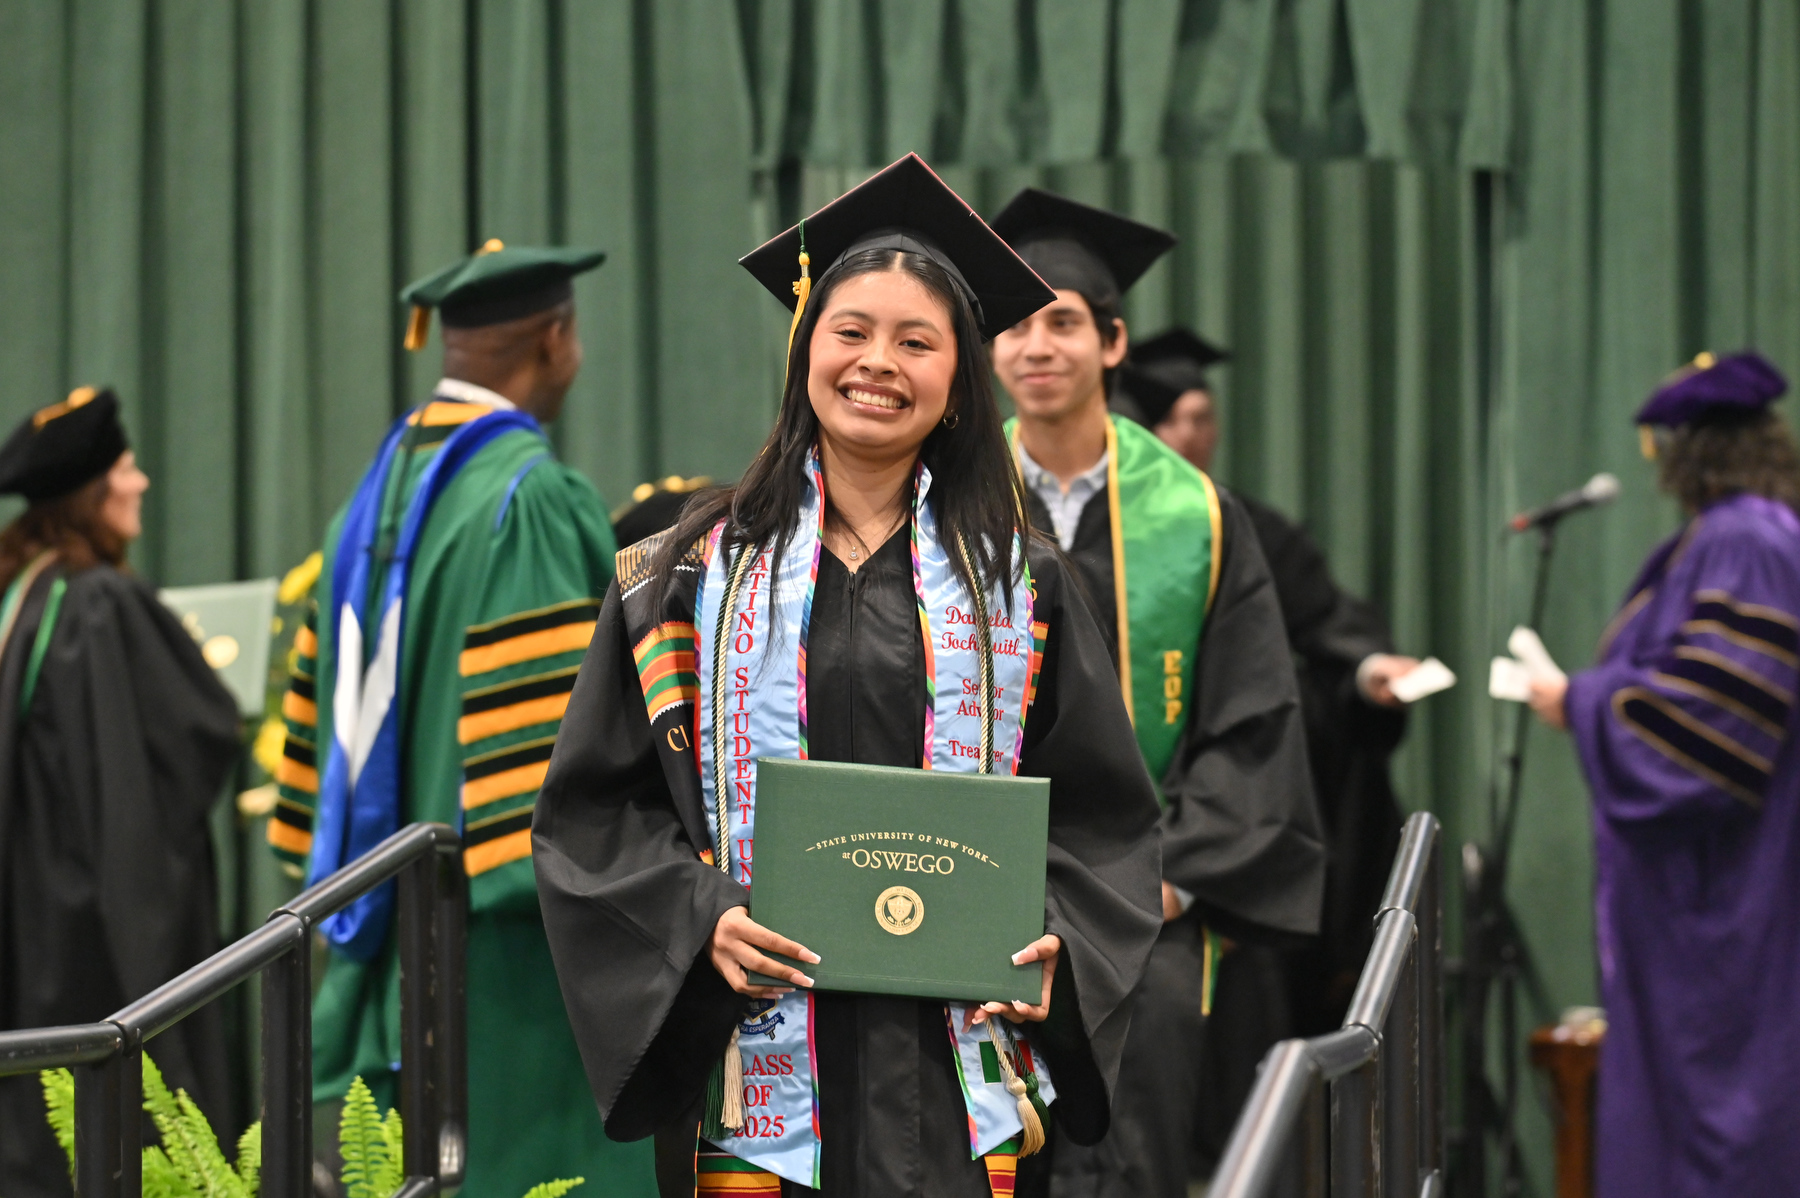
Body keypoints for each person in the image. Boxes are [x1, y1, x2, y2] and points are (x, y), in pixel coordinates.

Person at [533, 154, 1165, 1198]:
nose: (880, 363)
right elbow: (595, 813)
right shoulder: (684, 575)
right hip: (758, 1077)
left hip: (956, 1078)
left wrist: (1063, 947)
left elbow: (1106, 820)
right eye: (851, 332)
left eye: (917, 341)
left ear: (959, 375)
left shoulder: (1024, 584)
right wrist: (701, 920)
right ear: (804, 354)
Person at [266, 242, 645, 1196]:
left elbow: (314, 755)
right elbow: (562, 773)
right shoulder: (531, 498)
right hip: (510, 961)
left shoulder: (369, 498)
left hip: (393, 930)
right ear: (555, 339)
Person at [987, 191, 1322, 1198]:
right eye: (1012, 322)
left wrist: (1167, 879)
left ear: (1113, 340)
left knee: (1132, 1162)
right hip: (978, 895)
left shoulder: (1198, 517)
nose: (1036, 345)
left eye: (1063, 320)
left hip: (1147, 907)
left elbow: (1251, 723)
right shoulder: (943, 506)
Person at [1117, 331, 1419, 1164]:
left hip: (1234, 830)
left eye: (1201, 418)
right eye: (1171, 419)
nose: (1189, 436)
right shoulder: (1076, 530)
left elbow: (1329, 634)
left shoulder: (1236, 528)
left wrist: (1364, 674)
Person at [1526, 351, 1800, 1198]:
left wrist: (1580, 700)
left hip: (1727, 904)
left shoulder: (1745, 540)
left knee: (1727, 1124)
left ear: (1691, 454)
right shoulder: (1744, 537)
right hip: (1711, 900)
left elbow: (1711, 724)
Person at [0, 388, 241, 1198]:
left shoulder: (21, 596)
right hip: (94, 932)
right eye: (127, 469)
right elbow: (197, 735)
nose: (140, 485)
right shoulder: (98, 602)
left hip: (29, 918)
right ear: (91, 493)